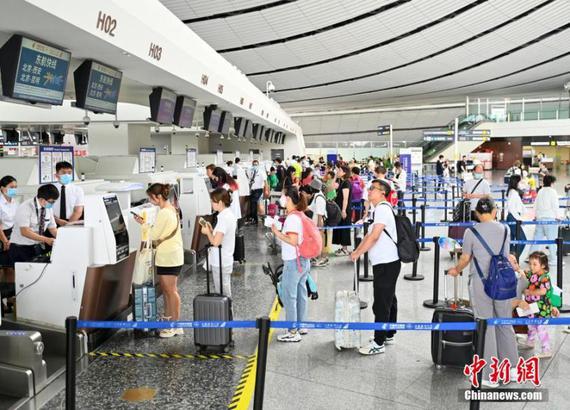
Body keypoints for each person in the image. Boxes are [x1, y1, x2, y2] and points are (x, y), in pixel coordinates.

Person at [448, 198, 518, 388]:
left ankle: (490, 375)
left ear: (477, 213)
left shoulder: (471, 232)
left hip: (481, 284)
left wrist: (456, 269)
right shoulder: (505, 229)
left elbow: (465, 257)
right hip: (503, 283)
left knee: (486, 326)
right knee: (504, 322)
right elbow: (504, 256)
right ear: (494, 211)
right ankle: (512, 369)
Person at [351, 179, 400, 355]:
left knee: (381, 303)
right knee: (389, 299)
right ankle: (388, 333)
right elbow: (370, 235)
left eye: (373, 189)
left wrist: (357, 253)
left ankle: (378, 343)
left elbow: (375, 237)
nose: (369, 191)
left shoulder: (381, 209)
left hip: (386, 263)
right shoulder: (378, 210)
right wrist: (357, 250)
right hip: (386, 262)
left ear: (382, 193)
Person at [133, 183, 183, 338]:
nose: (150, 200)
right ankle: (171, 322)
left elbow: (153, 235)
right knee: (169, 291)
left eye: (151, 197)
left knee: (170, 291)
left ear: (158, 197)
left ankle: (173, 325)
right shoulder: (171, 209)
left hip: (168, 257)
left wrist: (143, 224)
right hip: (172, 254)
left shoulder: (164, 213)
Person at [271, 186, 310, 342]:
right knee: (301, 294)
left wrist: (277, 233)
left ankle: (292, 331)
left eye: (283, 196)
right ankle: (301, 325)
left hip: (294, 263)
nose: (281, 199)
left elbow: (293, 241)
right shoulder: (299, 215)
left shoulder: (292, 218)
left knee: (289, 296)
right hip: (303, 260)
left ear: (288, 199)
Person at [512, 251, 553, 358]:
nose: (531, 266)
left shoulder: (545, 277)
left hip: (541, 308)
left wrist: (530, 292)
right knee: (531, 325)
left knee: (540, 327)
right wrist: (518, 269)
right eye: (530, 263)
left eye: (535, 264)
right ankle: (530, 342)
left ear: (543, 265)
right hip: (532, 306)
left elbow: (543, 291)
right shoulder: (532, 273)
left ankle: (546, 349)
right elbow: (525, 273)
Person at [201, 188, 237, 298]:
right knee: (223, 291)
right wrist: (212, 231)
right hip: (224, 259)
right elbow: (220, 237)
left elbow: (215, 242)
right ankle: (226, 314)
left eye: (213, 201)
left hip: (221, 261)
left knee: (223, 294)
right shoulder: (227, 215)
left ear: (220, 202)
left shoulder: (224, 218)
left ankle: (226, 314)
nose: (211, 204)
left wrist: (207, 233)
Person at [9, 184, 59, 263]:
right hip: (20, 248)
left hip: (36, 246)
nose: (52, 204)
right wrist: (46, 239)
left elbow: (52, 228)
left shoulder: (48, 208)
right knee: (24, 274)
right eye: (51, 202)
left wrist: (63, 238)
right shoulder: (25, 207)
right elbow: (25, 231)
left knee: (37, 272)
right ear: (42, 199)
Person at [531, 175, 560, 269]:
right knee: (552, 240)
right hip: (550, 219)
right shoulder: (553, 192)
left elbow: (535, 204)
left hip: (540, 219)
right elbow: (555, 206)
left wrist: (535, 216)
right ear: (552, 182)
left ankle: (531, 257)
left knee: (537, 239)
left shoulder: (540, 191)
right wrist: (558, 216)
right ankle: (553, 259)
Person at [302, 179, 328, 267]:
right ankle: (317, 257)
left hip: (319, 222)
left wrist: (319, 228)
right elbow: (310, 207)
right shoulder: (317, 196)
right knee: (316, 241)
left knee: (320, 240)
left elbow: (320, 215)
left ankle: (322, 258)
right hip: (316, 221)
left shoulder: (319, 198)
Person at [52, 161, 84, 226]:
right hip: (52, 221)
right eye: (63, 172)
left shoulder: (77, 190)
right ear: (56, 175)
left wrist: (68, 225)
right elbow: (45, 210)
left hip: (71, 222)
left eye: (69, 173)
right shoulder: (50, 189)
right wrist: (57, 221)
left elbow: (78, 211)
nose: (67, 175)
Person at [333, 165, 352, 256]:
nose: (338, 172)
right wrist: (335, 176)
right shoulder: (342, 181)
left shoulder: (346, 183)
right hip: (340, 208)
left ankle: (345, 249)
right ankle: (343, 248)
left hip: (344, 209)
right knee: (341, 227)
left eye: (339, 170)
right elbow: (332, 187)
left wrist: (344, 210)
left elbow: (346, 198)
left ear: (344, 172)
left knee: (344, 228)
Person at [506, 175, 527, 257]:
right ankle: (514, 258)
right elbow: (511, 208)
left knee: (512, 240)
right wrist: (519, 219)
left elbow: (520, 206)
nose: (521, 183)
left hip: (514, 217)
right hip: (513, 218)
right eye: (520, 181)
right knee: (522, 239)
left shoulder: (514, 192)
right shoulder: (513, 193)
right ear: (516, 182)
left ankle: (511, 258)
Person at [247, 160, 265, 225]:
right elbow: (250, 180)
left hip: (259, 189)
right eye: (254, 164)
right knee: (252, 204)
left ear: (258, 165)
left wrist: (266, 190)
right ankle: (254, 219)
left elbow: (265, 181)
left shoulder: (261, 172)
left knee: (254, 203)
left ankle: (254, 219)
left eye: (256, 164)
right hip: (252, 190)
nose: (255, 166)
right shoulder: (251, 172)